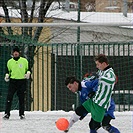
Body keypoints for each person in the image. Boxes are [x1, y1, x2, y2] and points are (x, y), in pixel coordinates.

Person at [64, 54, 116, 133]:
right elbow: (95, 78)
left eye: (98, 64)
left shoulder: (110, 73)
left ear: (104, 64)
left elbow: (112, 80)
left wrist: (97, 82)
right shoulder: (101, 71)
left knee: (100, 126)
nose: (97, 66)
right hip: (94, 101)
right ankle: (67, 127)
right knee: (79, 111)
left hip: (101, 104)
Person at [3, 46, 31, 120]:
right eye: (14, 52)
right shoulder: (9, 62)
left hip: (22, 81)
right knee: (9, 97)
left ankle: (21, 114)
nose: (15, 53)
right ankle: (7, 114)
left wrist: (28, 73)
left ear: (19, 53)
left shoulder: (24, 61)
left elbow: (28, 69)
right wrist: (6, 75)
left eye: (17, 52)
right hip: (13, 82)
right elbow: (7, 71)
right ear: (12, 53)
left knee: (21, 98)